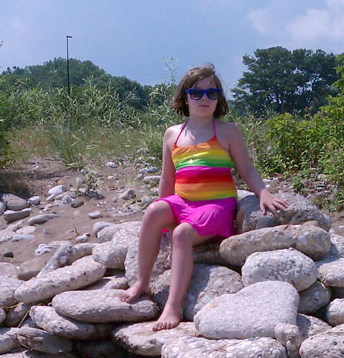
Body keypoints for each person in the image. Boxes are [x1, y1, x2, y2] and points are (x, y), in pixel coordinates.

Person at [120, 64, 288, 330]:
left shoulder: (227, 131)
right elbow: (167, 179)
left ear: (219, 98)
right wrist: (163, 211)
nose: (204, 99)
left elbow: (247, 169)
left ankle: (172, 306)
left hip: (216, 206)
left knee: (181, 235)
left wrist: (263, 192)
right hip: (183, 202)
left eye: (212, 93)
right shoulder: (173, 134)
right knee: (152, 212)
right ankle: (142, 280)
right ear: (185, 97)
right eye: (196, 93)